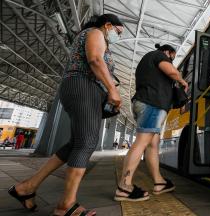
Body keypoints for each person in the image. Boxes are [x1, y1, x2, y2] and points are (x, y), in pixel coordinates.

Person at [8, 14, 123, 216]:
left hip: (82, 88)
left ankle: (27, 188)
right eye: (118, 32)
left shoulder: (95, 36)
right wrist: (112, 89)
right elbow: (95, 60)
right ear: (108, 25)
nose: (118, 36)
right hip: (83, 86)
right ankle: (66, 204)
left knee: (75, 143)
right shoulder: (95, 32)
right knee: (87, 142)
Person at [115, 44, 188, 202]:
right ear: (167, 52)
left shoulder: (146, 62)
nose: (171, 61)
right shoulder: (158, 55)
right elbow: (172, 72)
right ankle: (124, 186)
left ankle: (159, 182)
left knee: (151, 144)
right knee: (142, 142)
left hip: (143, 102)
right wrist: (182, 81)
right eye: (172, 58)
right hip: (152, 104)